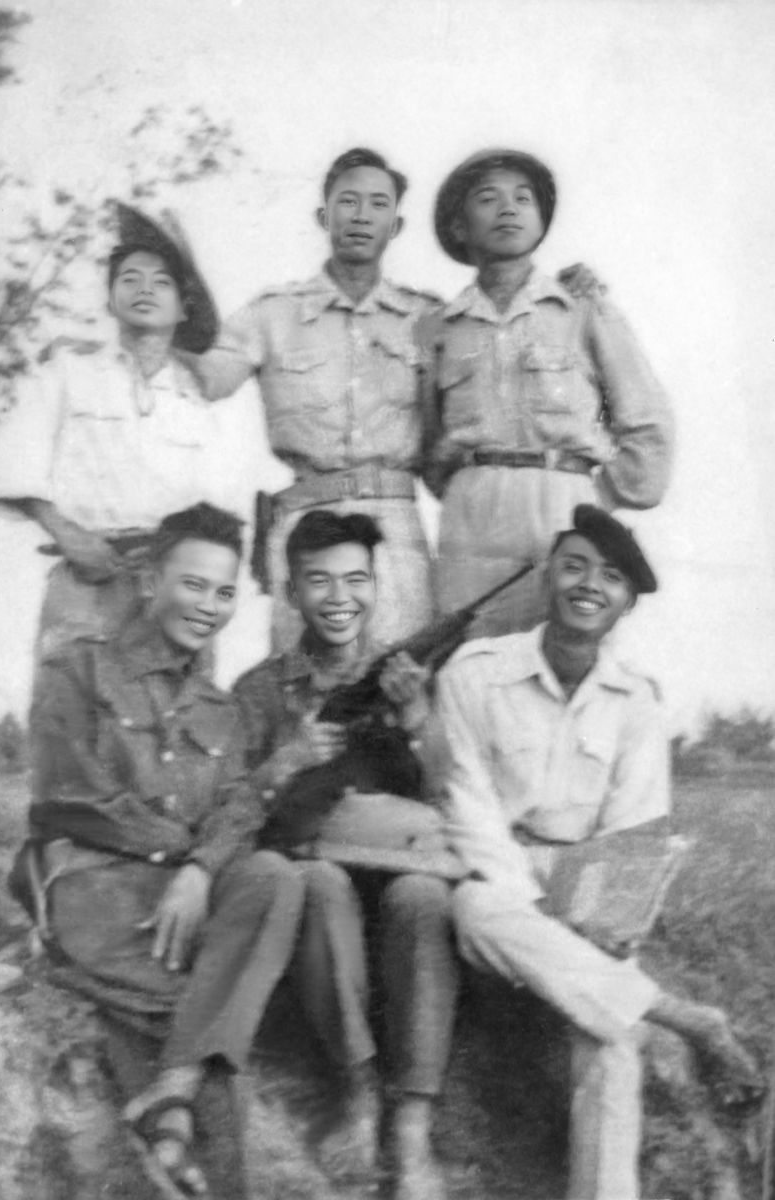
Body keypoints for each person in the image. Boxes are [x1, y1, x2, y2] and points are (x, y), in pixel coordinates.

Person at [435, 504, 762, 1200]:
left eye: (611, 577)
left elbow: (633, 837)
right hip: (503, 885)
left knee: (613, 1043)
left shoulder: (636, 702)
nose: (589, 585)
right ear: (547, 576)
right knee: (474, 907)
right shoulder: (475, 673)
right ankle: (681, 1015)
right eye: (575, 566)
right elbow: (468, 808)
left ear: (626, 603)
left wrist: (601, 921)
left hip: (584, 896)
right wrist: (535, 904)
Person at [182, 146, 600, 650]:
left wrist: (562, 287)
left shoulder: (428, 319)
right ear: (323, 216)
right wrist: (165, 310)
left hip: (395, 527)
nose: (362, 216)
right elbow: (206, 379)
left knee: (402, 670)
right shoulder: (272, 314)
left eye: (378, 204)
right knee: (300, 670)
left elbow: (495, 354)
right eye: (348, 202)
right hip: (305, 519)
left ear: (396, 225)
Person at [10, 503, 305, 1199]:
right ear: (149, 582)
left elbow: (237, 804)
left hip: (175, 895)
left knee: (273, 878)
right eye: (193, 584)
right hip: (93, 883)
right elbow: (71, 794)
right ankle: (177, 1118)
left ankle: (168, 1103)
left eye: (224, 592)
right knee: (201, 1003)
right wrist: (183, 855)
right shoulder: (78, 670)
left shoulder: (221, 710)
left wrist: (200, 871)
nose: (209, 606)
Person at [232, 509, 459, 1200]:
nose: (340, 598)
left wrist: (416, 718)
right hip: (311, 877)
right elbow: (225, 807)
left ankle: (411, 1126)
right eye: (319, 581)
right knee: (321, 882)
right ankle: (358, 1092)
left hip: (401, 868)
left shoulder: (407, 675)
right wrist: (287, 760)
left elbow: (453, 794)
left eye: (357, 580)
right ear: (290, 592)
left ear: (376, 587)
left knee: (424, 897)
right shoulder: (260, 690)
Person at [429, 149, 676, 636]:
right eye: (488, 198)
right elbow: (427, 442)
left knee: (562, 648)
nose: (508, 209)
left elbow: (648, 423)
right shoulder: (439, 326)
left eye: (524, 199)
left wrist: (594, 497)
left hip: (562, 503)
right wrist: (468, 486)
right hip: (471, 517)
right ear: (459, 227)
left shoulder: (582, 309)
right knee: (464, 654)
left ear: (541, 221)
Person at [0, 203, 226, 662]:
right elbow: (18, 462)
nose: (145, 290)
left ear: (184, 308)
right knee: (71, 698)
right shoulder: (67, 371)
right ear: (109, 300)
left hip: (177, 583)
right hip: (87, 574)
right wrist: (68, 536)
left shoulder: (197, 400)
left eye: (162, 282)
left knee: (178, 703)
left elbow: (219, 505)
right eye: (130, 279)